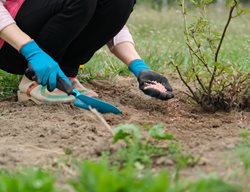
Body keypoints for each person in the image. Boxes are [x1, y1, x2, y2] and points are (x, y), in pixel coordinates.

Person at [0, 0, 174, 105]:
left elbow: (105, 15)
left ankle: (65, 76)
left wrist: (138, 66)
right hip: (11, 45)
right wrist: (31, 51)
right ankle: (33, 82)